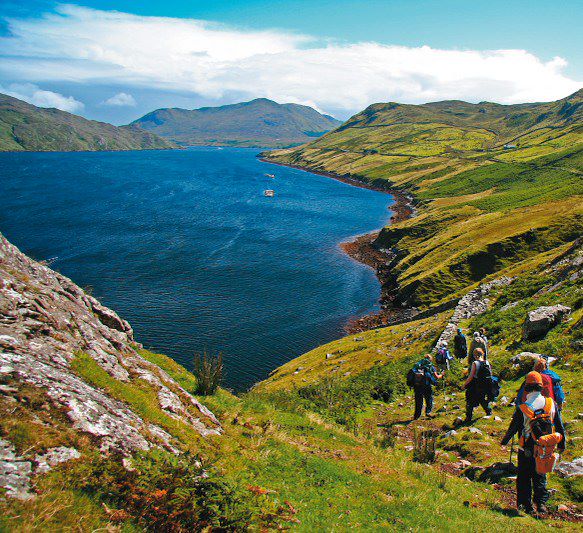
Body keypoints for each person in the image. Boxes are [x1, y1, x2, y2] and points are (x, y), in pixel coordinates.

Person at [501, 372, 566, 515]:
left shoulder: (523, 408)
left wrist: (504, 442)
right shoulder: (551, 403)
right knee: (540, 474)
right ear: (541, 387)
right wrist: (562, 445)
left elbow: (513, 428)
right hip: (545, 447)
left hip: (527, 448)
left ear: (526, 388)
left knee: (524, 476)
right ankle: (541, 504)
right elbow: (560, 426)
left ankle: (526, 506)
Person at [464, 348, 492, 422]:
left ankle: (468, 418)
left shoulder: (475, 363)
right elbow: (490, 374)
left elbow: (471, 376)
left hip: (476, 384)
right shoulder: (487, 362)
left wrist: (465, 384)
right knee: (482, 398)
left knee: (470, 400)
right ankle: (489, 411)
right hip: (485, 384)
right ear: (482, 354)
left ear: (474, 355)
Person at [412, 354, 444, 420]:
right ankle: (428, 412)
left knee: (418, 400)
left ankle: (416, 416)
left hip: (417, 385)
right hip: (426, 385)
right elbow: (437, 376)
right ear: (431, 359)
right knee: (429, 398)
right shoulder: (431, 366)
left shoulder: (418, 366)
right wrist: (442, 375)